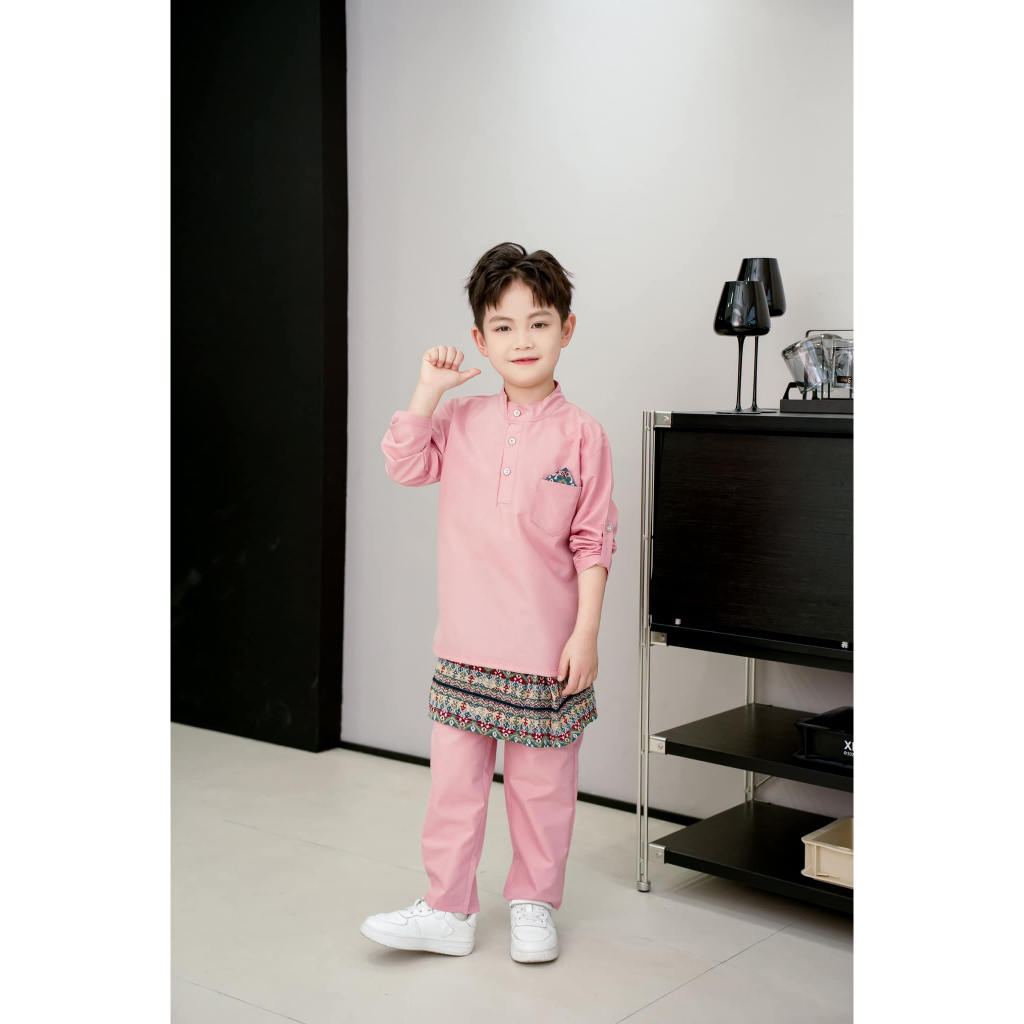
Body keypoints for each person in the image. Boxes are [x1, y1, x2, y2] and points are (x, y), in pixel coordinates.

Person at [360, 243, 618, 963]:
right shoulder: (461, 419)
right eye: (503, 327)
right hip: (465, 643)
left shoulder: (583, 435)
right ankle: (447, 909)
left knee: (542, 789)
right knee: (454, 787)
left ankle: (534, 904)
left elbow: (593, 542)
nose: (522, 340)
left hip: (546, 648)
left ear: (567, 329)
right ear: (480, 339)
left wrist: (585, 635)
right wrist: (426, 391)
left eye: (539, 323)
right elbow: (405, 464)